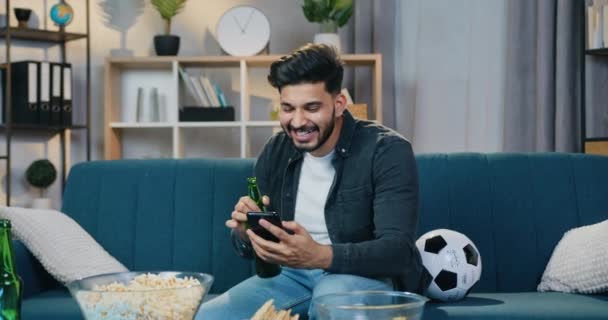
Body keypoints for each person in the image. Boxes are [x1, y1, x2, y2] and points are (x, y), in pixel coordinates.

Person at [197, 43, 430, 319]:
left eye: (311, 107)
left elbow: (397, 252)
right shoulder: (276, 151)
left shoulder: (387, 150)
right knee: (206, 316)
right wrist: (245, 232)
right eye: (288, 108)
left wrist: (319, 255)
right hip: (291, 276)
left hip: (360, 276)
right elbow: (248, 249)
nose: (297, 122)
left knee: (329, 306)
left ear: (339, 103)